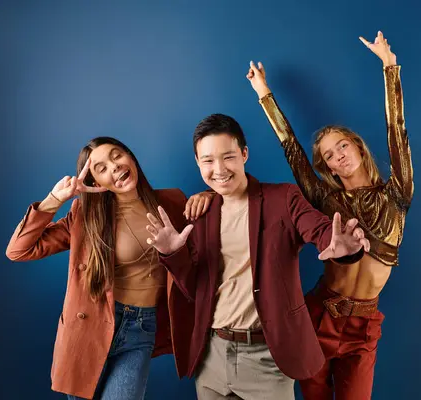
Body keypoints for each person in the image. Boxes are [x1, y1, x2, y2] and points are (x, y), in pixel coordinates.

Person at [145, 114, 370, 400]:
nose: (219, 169)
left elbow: (319, 229)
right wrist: (172, 254)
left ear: (244, 154)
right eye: (208, 161)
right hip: (212, 356)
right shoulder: (199, 214)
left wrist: (343, 246)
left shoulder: (283, 199)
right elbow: (196, 289)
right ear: (198, 162)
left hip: (268, 358)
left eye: (228, 157)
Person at [246, 31, 414, 399]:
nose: (339, 155)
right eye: (330, 155)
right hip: (318, 314)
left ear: (357, 146)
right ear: (329, 168)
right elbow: (292, 150)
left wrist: (390, 67)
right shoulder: (326, 198)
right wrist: (264, 95)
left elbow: (397, 132)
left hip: (364, 325)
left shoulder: (397, 193)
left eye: (343, 145)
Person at [5, 137, 201, 400]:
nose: (114, 166)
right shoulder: (84, 217)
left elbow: (203, 244)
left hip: (142, 329)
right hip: (90, 329)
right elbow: (18, 250)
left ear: (130, 157)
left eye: (117, 156)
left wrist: (207, 196)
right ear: (96, 183)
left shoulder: (172, 201)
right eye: (101, 167)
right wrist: (55, 198)